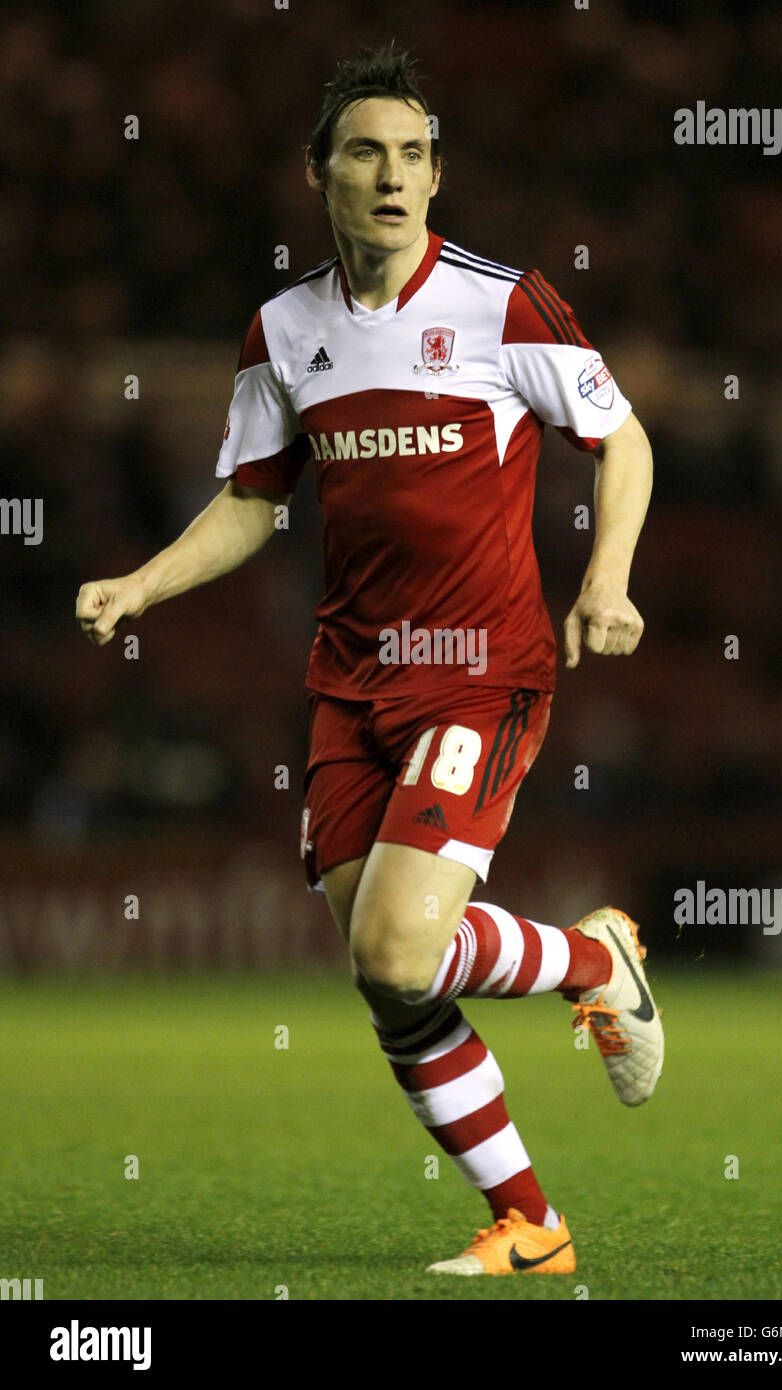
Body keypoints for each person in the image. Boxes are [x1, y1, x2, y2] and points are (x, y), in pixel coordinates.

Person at [76, 43, 663, 1277]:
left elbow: (622, 442)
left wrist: (604, 578)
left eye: (411, 155)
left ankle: (592, 962)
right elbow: (250, 499)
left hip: (479, 667)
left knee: (398, 949)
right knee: (387, 978)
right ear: (318, 175)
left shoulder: (503, 304)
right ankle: (535, 1224)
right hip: (349, 682)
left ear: (437, 176)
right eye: (364, 152)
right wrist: (143, 581)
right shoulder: (283, 330)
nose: (390, 176)